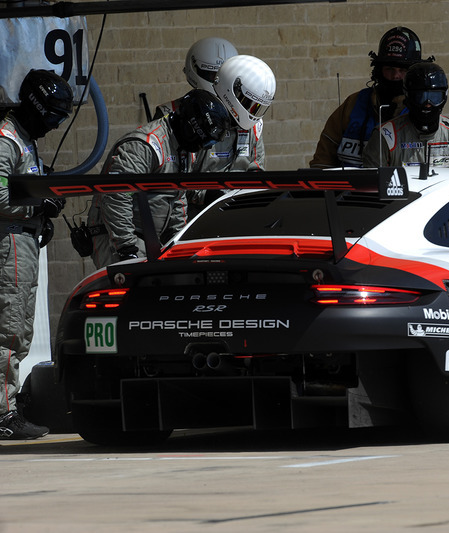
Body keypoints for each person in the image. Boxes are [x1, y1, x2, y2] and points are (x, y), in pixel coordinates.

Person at [1, 69, 73, 439]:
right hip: (8, 244)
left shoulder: (24, 138)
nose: (55, 125)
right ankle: (3, 413)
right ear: (35, 107)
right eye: (53, 116)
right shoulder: (6, 139)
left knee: (19, 331)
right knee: (7, 331)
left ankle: (7, 404)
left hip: (22, 243)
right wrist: (38, 205)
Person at [87, 89, 231, 268]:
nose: (203, 147)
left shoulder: (185, 151)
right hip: (116, 239)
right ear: (191, 126)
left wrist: (178, 242)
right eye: (205, 141)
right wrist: (126, 247)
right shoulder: (145, 145)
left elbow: (178, 200)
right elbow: (117, 196)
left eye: (209, 144)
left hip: (149, 242)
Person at [154, 39, 275, 215]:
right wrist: (207, 195)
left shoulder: (253, 125)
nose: (216, 79)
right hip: (187, 215)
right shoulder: (174, 114)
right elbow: (167, 181)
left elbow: (257, 171)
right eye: (211, 75)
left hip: (237, 211)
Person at [310, 26, 426, 168]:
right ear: (378, 70)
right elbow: (323, 160)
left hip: (401, 189)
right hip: (350, 188)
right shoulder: (353, 104)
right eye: (389, 69)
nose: (396, 76)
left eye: (402, 70)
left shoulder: (422, 111)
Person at [361, 61, 449, 170]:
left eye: (434, 97)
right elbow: (374, 186)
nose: (428, 104)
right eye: (420, 97)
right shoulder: (386, 136)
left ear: (444, 97)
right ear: (407, 96)